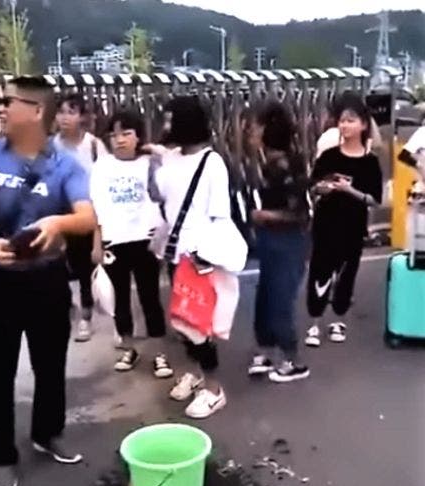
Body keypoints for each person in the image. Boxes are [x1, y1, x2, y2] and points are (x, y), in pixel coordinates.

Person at [0, 76, 96, 486]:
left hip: (47, 280)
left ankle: (47, 432)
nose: (1, 108)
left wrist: (58, 222)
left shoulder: (66, 165)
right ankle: (0, 456)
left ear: (37, 112)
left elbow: (86, 216)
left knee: (50, 365)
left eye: (10, 102)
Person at [153, 96, 244, 419]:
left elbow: (219, 214)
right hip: (173, 252)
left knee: (198, 327)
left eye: (169, 119)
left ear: (185, 123)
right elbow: (161, 197)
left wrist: (204, 256)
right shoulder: (171, 159)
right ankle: (194, 374)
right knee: (181, 321)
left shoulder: (212, 163)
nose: (164, 126)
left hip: (197, 257)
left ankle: (214, 390)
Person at [90, 110, 167, 376]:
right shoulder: (102, 166)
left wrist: (154, 154)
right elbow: (96, 208)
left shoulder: (150, 163)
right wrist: (97, 244)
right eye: (114, 134)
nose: (120, 140)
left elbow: (164, 191)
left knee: (150, 298)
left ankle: (160, 353)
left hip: (144, 239)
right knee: (119, 299)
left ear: (138, 136)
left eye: (126, 133)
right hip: (114, 239)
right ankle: (129, 348)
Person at [304, 93, 382, 347]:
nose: (345, 125)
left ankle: (338, 319)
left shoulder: (370, 163)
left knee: (346, 274)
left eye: (351, 121)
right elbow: (313, 186)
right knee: (320, 271)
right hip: (326, 224)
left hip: (353, 227)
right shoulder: (328, 157)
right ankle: (314, 322)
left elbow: (374, 199)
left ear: (363, 124)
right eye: (342, 120)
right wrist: (323, 188)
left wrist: (350, 191)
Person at [245, 101, 312, 382]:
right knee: (265, 297)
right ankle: (267, 350)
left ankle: (292, 360)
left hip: (288, 242)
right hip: (270, 241)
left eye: (254, 125)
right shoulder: (267, 163)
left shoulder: (287, 164)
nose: (248, 131)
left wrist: (265, 215)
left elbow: (300, 213)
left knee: (280, 299)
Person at [53, 93, 106, 342]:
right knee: (61, 267)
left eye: (71, 112)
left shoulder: (94, 146)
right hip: (61, 214)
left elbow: (107, 181)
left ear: (82, 116)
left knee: (87, 269)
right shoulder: (51, 147)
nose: (65, 117)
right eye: (61, 111)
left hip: (89, 215)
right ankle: (70, 308)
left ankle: (87, 316)